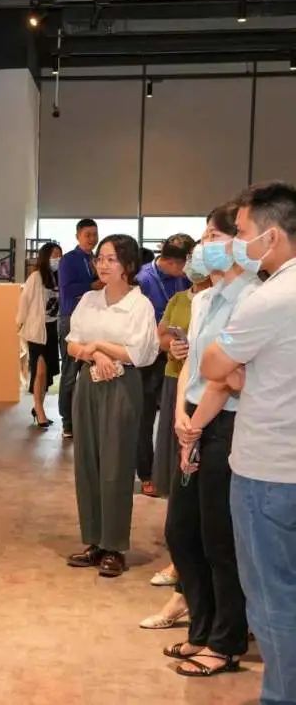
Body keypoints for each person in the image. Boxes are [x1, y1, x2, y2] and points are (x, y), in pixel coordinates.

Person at [201, 182, 296, 703]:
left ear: (272, 236)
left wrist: (239, 369)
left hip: (268, 472)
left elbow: (214, 364)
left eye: (240, 235)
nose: (234, 245)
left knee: (271, 599)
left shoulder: (271, 296)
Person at [163, 204, 258, 677]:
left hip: (224, 426)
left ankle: (226, 641)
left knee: (220, 539)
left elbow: (226, 376)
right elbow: (193, 369)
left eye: (214, 237)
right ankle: (200, 628)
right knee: (182, 532)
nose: (203, 249)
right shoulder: (203, 299)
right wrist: (182, 418)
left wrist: (195, 427)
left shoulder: (250, 297)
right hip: (193, 420)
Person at [65, 235, 159, 577]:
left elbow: (141, 353)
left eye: (111, 259)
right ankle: (94, 540)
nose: (102, 265)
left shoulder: (140, 306)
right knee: (87, 463)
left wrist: (101, 345)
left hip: (122, 385)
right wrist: (97, 353)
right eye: (100, 258)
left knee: (116, 465)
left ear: (128, 265)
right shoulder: (89, 299)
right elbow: (72, 342)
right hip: (89, 382)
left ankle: (115, 545)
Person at [140, 241, 212, 629]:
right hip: (178, 387)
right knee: (176, 479)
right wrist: (175, 346)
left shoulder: (234, 300)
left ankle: (187, 580)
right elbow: (162, 338)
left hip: (211, 405)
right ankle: (182, 571)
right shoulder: (183, 300)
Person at [135, 234, 194, 496]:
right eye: (184, 264)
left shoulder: (184, 280)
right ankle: (146, 473)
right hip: (149, 358)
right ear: (170, 261)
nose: (187, 271)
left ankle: (170, 469)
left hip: (175, 358)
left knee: (174, 416)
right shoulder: (144, 279)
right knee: (145, 417)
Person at [57, 219, 102, 439]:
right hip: (70, 319)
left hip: (92, 320)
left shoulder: (97, 260)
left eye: (95, 234)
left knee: (90, 370)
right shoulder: (69, 260)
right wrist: (91, 286)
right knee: (69, 372)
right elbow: (66, 290)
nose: (92, 239)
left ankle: (85, 419)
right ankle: (67, 422)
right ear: (78, 236)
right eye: (88, 235)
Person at [16, 242, 62, 427]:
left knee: (47, 373)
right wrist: (19, 323)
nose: (57, 259)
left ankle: (38, 406)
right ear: (45, 257)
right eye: (54, 255)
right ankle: (39, 410)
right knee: (40, 371)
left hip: (52, 329)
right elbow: (24, 301)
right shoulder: (35, 277)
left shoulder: (59, 277)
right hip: (36, 330)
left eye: (59, 255)